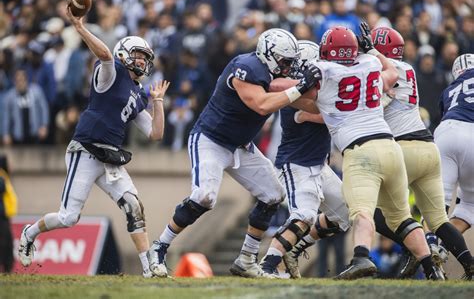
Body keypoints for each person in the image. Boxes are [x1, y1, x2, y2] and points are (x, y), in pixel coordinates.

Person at [147, 28, 319, 278]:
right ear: (268, 54)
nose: (287, 67)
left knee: (273, 195)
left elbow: (302, 102)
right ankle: (159, 247)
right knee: (204, 197)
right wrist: (301, 86)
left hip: (242, 145)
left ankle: (247, 259)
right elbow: (261, 105)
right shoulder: (246, 66)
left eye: (290, 63)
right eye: (284, 61)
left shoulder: (270, 73)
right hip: (211, 140)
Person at [17, 6, 171, 278]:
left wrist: (158, 102)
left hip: (109, 156)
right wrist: (79, 27)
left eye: (145, 57)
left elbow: (155, 134)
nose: (142, 61)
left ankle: (149, 271)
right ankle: (29, 233)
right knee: (68, 218)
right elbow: (105, 54)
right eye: (137, 55)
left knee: (134, 206)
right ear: (124, 54)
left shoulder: (138, 93)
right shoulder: (111, 73)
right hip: (86, 150)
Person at [308, 23, 442, 280]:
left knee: (361, 212)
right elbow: (390, 72)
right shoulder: (370, 67)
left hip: (362, 151)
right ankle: (431, 268)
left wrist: (299, 106)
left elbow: (317, 106)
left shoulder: (327, 74)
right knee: (402, 217)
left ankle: (360, 257)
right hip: (391, 147)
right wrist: (373, 52)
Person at [369, 27, 474, 280]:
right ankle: (468, 264)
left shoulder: (448, 89)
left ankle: (421, 252)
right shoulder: (408, 70)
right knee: (441, 217)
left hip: (429, 140)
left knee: (377, 213)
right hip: (426, 146)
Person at [258, 40, 350, 278]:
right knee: (304, 215)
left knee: (346, 212)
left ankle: (296, 248)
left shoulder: (313, 89)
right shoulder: (295, 94)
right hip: (297, 164)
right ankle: (267, 265)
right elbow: (324, 112)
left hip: (319, 165)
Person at [434, 53, 474, 278]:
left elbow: (443, 114)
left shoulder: (449, 89)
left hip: (447, 131)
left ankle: (434, 244)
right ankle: (439, 246)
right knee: (470, 204)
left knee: (438, 200)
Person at [0, 155, 18, 273]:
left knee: (7, 243)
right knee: (5, 244)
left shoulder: (4, 177)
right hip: (1, 217)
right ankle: (7, 269)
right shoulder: (1, 178)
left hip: (4, 216)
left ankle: (8, 268)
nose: (11, 166)